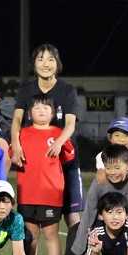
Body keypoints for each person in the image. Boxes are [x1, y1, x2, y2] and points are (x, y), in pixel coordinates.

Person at [11, 43, 82, 226]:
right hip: (35, 164)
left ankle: (77, 247)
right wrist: (16, 145)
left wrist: (58, 143)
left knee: (72, 215)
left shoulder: (67, 90)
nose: (45, 64)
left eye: (51, 59)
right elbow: (17, 120)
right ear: (34, 64)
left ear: (57, 64)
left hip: (64, 158)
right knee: (30, 222)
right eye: (40, 59)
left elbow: (70, 124)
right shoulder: (26, 90)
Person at [16, 94, 76, 255]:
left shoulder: (59, 134)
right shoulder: (22, 134)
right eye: (37, 107)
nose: (41, 111)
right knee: (30, 235)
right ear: (29, 113)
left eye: (46, 108)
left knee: (51, 233)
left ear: (53, 113)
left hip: (50, 193)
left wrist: (61, 144)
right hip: (27, 193)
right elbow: (14, 157)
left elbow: (68, 157)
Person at [94, 118, 128, 184]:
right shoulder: (101, 155)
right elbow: (102, 173)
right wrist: (101, 172)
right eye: (117, 135)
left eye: (126, 135)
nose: (121, 139)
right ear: (109, 137)